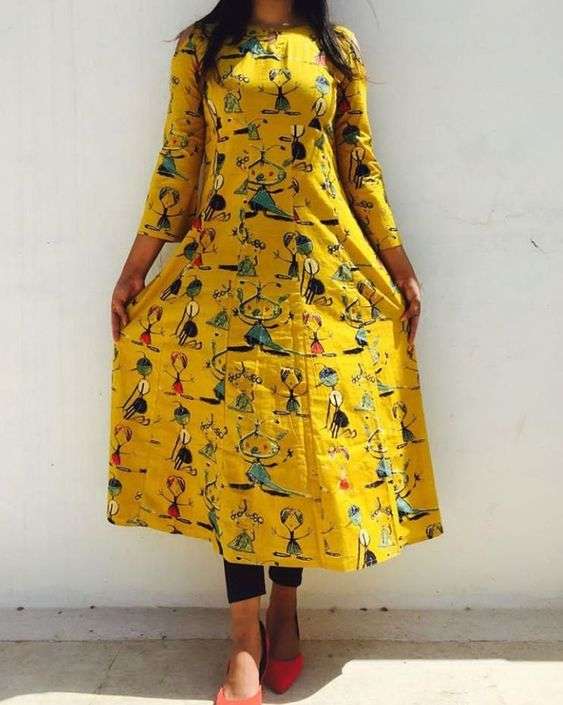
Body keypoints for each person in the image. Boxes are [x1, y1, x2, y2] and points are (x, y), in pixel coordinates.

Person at [107, 1, 444, 703]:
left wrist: (400, 265)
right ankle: (243, 636)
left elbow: (359, 164)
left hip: (321, 274)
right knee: (233, 450)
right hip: (223, 275)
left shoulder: (334, 48)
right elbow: (178, 159)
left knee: (301, 444)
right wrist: (137, 266)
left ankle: (285, 608)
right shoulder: (202, 47)